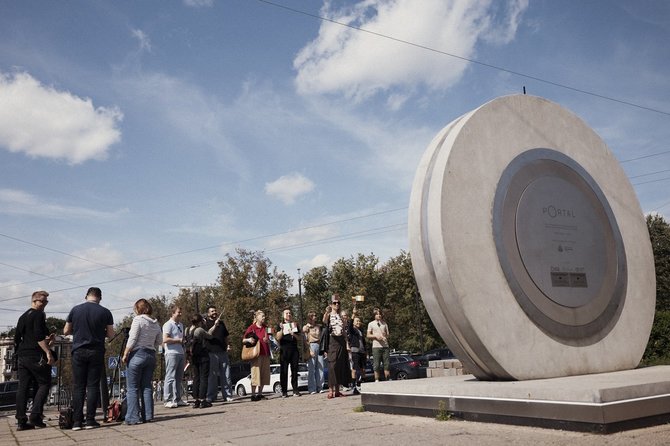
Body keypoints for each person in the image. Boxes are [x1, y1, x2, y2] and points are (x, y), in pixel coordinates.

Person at [64, 287, 114, 431]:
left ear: (86, 296)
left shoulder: (75, 310)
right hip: (96, 351)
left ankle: (77, 422)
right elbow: (111, 335)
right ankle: (90, 420)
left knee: (78, 386)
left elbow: (66, 331)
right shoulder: (105, 312)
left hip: (78, 350)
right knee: (92, 386)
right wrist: (100, 332)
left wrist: (78, 330)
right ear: (100, 297)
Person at [14, 291, 56, 431]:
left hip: (22, 355)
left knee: (23, 387)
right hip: (34, 355)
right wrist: (48, 352)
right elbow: (38, 336)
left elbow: (18, 338)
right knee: (44, 383)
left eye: (46, 302)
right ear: (34, 301)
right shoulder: (39, 315)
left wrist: (48, 340)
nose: (44, 304)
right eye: (42, 301)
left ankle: (21, 421)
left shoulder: (22, 316)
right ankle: (35, 416)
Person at [122, 299, 162, 425]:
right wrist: (151, 346)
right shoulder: (156, 323)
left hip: (137, 354)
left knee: (132, 388)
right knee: (146, 386)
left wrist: (126, 352)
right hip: (150, 355)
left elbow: (133, 338)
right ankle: (148, 415)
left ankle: (133, 417)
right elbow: (159, 340)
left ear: (139, 309)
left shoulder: (138, 320)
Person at [203, 305, 233, 404]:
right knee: (212, 376)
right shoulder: (205, 323)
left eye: (215, 311)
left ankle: (227, 395)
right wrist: (215, 325)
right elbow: (208, 334)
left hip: (223, 352)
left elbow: (226, 336)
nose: (214, 312)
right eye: (212, 311)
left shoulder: (222, 323)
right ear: (208, 314)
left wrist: (228, 345)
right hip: (211, 353)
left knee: (226, 375)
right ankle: (211, 396)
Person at [322, 294, 350, 399]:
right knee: (332, 366)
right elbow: (324, 321)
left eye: (338, 303)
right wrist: (326, 312)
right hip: (332, 341)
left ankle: (337, 391)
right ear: (331, 304)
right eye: (335, 303)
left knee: (340, 365)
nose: (337, 304)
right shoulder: (329, 315)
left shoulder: (341, 316)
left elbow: (344, 331)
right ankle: (330, 390)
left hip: (341, 341)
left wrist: (347, 343)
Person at [242, 310, 271, 402]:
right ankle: (253, 394)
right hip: (256, 354)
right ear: (257, 317)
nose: (264, 318)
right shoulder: (252, 327)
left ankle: (260, 394)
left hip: (265, 353)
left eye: (264, 316)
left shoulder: (266, 327)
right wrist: (249, 340)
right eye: (262, 316)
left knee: (263, 374)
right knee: (255, 374)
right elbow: (243, 340)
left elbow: (271, 338)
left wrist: (268, 340)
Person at [188, 314, 215, 408]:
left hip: (193, 356)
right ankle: (203, 400)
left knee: (196, 378)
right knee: (204, 377)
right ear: (200, 321)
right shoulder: (199, 330)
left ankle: (196, 400)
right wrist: (213, 326)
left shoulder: (188, 329)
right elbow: (210, 336)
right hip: (203, 356)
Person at [162, 305, 187, 408]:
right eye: (178, 312)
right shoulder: (168, 325)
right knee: (170, 377)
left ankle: (177, 398)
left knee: (179, 377)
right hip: (171, 353)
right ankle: (167, 399)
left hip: (180, 352)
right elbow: (165, 339)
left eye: (181, 312)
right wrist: (178, 340)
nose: (180, 314)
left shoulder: (181, 325)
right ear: (172, 313)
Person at [275, 308, 301, 397]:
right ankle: (284, 391)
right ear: (283, 315)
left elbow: (299, 338)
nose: (288, 314)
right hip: (284, 350)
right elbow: (277, 338)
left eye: (290, 313)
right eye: (286, 313)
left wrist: (293, 334)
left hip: (294, 349)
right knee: (284, 371)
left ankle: (295, 389)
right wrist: (282, 330)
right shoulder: (280, 325)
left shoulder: (295, 324)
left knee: (295, 370)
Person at [302, 311, 324, 394]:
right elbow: (305, 340)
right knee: (312, 368)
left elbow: (321, 337)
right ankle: (312, 388)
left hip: (319, 345)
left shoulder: (318, 326)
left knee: (320, 367)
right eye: (313, 315)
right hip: (311, 345)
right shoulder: (306, 327)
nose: (315, 317)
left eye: (315, 315)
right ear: (310, 317)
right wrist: (309, 350)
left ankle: (320, 387)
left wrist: (323, 349)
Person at [367, 308, 391, 382]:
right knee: (376, 364)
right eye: (377, 314)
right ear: (374, 315)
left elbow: (388, 335)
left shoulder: (384, 323)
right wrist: (375, 336)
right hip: (376, 346)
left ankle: (388, 378)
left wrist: (385, 335)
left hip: (385, 346)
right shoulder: (371, 324)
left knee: (386, 364)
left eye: (380, 314)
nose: (379, 315)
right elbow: (368, 335)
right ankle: (377, 379)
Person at [348, 316, 367, 394]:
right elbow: (349, 326)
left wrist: (366, 351)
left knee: (363, 369)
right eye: (357, 321)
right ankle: (354, 386)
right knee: (355, 369)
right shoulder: (352, 330)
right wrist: (352, 316)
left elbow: (363, 342)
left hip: (362, 352)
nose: (358, 322)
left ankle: (363, 385)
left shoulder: (361, 331)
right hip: (355, 351)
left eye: (359, 321)